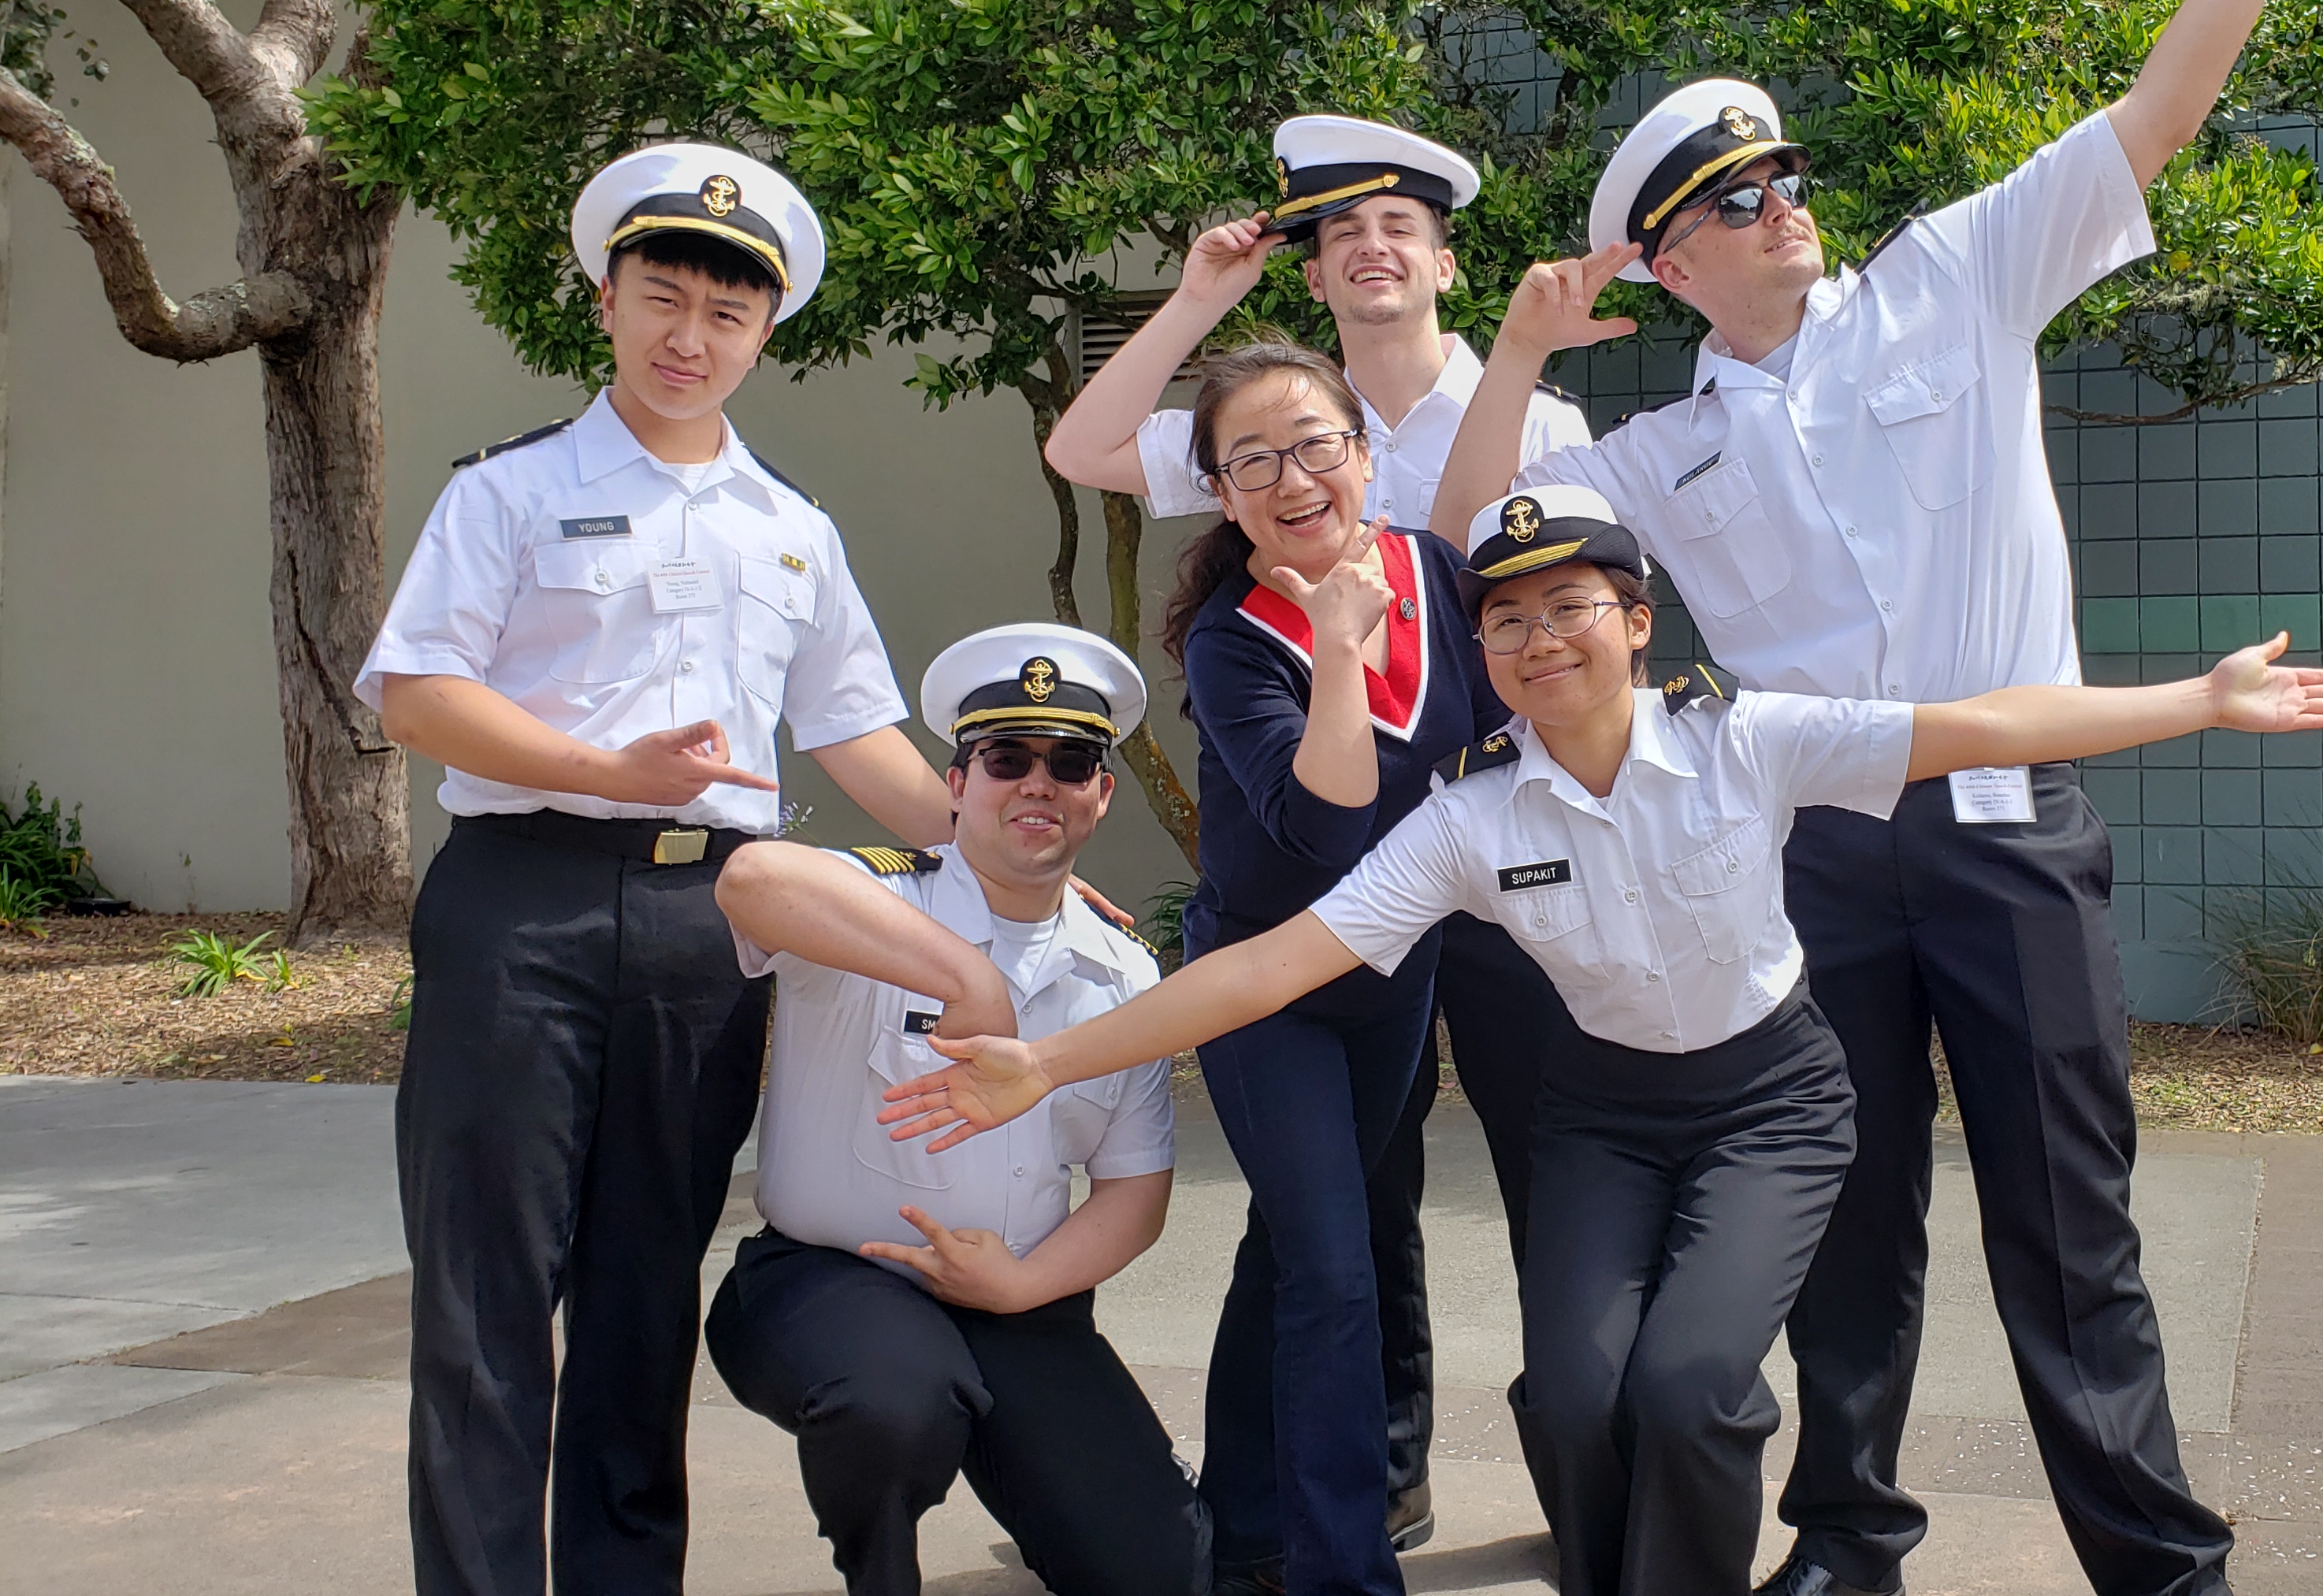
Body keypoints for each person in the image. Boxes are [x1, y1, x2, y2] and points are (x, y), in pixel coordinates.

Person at [872, 486, 2323, 1596]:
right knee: (1577, 1391)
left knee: (1691, 1383)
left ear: (1635, 624)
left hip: (1772, 1103)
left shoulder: (1746, 736)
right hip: (1601, 1116)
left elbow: (1976, 723)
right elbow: (1273, 960)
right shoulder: (1468, 814)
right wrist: (1051, 1059)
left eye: (1571, 606)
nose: (1535, 637)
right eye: (1505, 617)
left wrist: (2201, 699)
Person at [1429, 0, 2323, 1590]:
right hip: (1819, 856)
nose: (1787, 208)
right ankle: (1851, 1536)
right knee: (1844, 1221)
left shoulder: (1951, 281)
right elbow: (1475, 531)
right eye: (1736, 204)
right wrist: (1527, 348)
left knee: (2067, 1222)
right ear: (1672, 266)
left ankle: (2158, 1563)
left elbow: (2157, 117)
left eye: (1784, 181)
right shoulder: (1649, 446)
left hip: (2008, 830)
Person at [357, 143, 972, 1596]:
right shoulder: (509, 493)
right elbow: (417, 691)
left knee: (644, 1297)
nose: (689, 338)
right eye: (663, 297)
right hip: (523, 902)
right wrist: (604, 771)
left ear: (766, 334)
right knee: (487, 1295)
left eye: (726, 314)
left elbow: (854, 731)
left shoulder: (792, 529)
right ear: (606, 297)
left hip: (713, 925)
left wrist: (996, 843)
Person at [1045, 117, 1579, 1574]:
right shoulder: (1250, 581)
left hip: (1459, 898)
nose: (1370, 247)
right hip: (1295, 943)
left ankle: (1276, 1519)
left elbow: (1534, 598)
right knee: (1339, 1251)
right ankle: (1333, 1530)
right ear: (1221, 486)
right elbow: (1085, 441)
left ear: (1442, 254)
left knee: (1415, 1210)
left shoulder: (1473, 476)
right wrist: (1202, 294)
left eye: (1398, 225)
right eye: (1339, 231)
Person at [702, 623, 1209, 1596]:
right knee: (896, 1405)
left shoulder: (1121, 971)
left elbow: (1133, 1192)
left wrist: (1020, 1288)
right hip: (830, 1283)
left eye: (1070, 763)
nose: (1037, 784)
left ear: (1102, 792)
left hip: (1017, 1298)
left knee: (1163, 1572)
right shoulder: (880, 903)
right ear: (956, 784)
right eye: (1005, 759)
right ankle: (879, 1575)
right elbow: (752, 878)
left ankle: (1045, 1497)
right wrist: (965, 976)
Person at [1131, 340, 1518, 1596]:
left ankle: (1241, 1519)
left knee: (1295, 1247)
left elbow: (1513, 731)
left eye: (1316, 445)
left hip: (1390, 979)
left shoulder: (1441, 574)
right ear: (1222, 493)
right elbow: (1325, 826)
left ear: (1363, 455)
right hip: (1265, 984)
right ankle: (1341, 1571)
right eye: (1253, 461)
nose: (1293, 479)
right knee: (1337, 1271)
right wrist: (1340, 641)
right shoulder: (1234, 641)